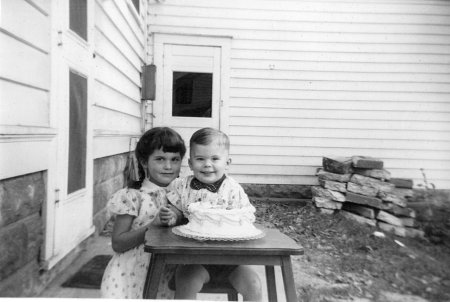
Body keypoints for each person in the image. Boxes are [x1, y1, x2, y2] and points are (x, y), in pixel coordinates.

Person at [165, 127, 263, 301]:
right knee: (186, 280)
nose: (207, 164)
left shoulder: (233, 190)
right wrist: (173, 215)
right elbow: (177, 210)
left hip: (231, 262)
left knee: (254, 284)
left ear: (227, 162)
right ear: (190, 163)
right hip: (194, 260)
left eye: (215, 159)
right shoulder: (182, 187)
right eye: (200, 159)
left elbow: (245, 218)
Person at [100, 127, 186, 299]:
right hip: (129, 277)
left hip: (166, 276)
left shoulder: (183, 195)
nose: (168, 166)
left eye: (175, 159)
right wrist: (151, 227)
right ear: (144, 162)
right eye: (160, 159)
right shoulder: (132, 196)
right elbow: (118, 243)